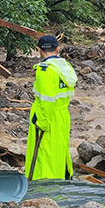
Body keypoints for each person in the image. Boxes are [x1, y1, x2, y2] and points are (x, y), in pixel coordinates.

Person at [25, 35, 77, 181]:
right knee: (59, 150)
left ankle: (41, 183)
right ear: (57, 49)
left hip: (47, 118)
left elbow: (46, 101)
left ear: (39, 50)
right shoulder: (66, 68)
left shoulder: (45, 70)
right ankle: (62, 178)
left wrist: (40, 122)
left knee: (42, 152)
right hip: (62, 116)